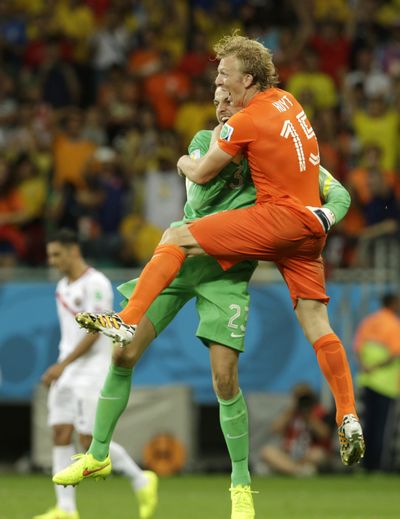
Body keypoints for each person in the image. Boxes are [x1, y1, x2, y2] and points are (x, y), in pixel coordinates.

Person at [53, 85, 352, 519]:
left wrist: (324, 214)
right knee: (122, 354)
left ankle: (241, 487)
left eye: (229, 98)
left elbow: (336, 191)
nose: (222, 105)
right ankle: (98, 454)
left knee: (224, 379)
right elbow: (201, 193)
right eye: (217, 100)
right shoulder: (204, 141)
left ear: (247, 102)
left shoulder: (274, 156)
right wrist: (205, 158)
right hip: (183, 258)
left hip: (226, 274)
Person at [34, 229, 158, 519]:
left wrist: (62, 366)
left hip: (91, 370)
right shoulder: (62, 287)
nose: (52, 261)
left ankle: (141, 478)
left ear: (73, 251)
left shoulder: (97, 283)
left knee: (90, 441)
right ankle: (66, 509)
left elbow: (96, 330)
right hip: (66, 368)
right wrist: (63, 366)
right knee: (60, 433)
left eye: (57, 255)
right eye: (50, 255)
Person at [353, 293, 400, 472]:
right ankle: (377, 466)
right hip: (386, 384)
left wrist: (366, 366)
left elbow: (357, 347)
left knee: (366, 425)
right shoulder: (394, 324)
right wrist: (376, 366)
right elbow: (395, 353)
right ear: (393, 303)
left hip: (367, 381)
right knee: (382, 427)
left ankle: (362, 464)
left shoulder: (369, 322)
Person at [260, 383, 332, 477]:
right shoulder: (289, 412)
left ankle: (285, 469)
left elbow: (325, 434)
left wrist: (309, 417)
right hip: (288, 454)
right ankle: (298, 471)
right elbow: (274, 429)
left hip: (307, 454)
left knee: (318, 454)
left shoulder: (319, 411)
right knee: (267, 451)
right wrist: (291, 411)